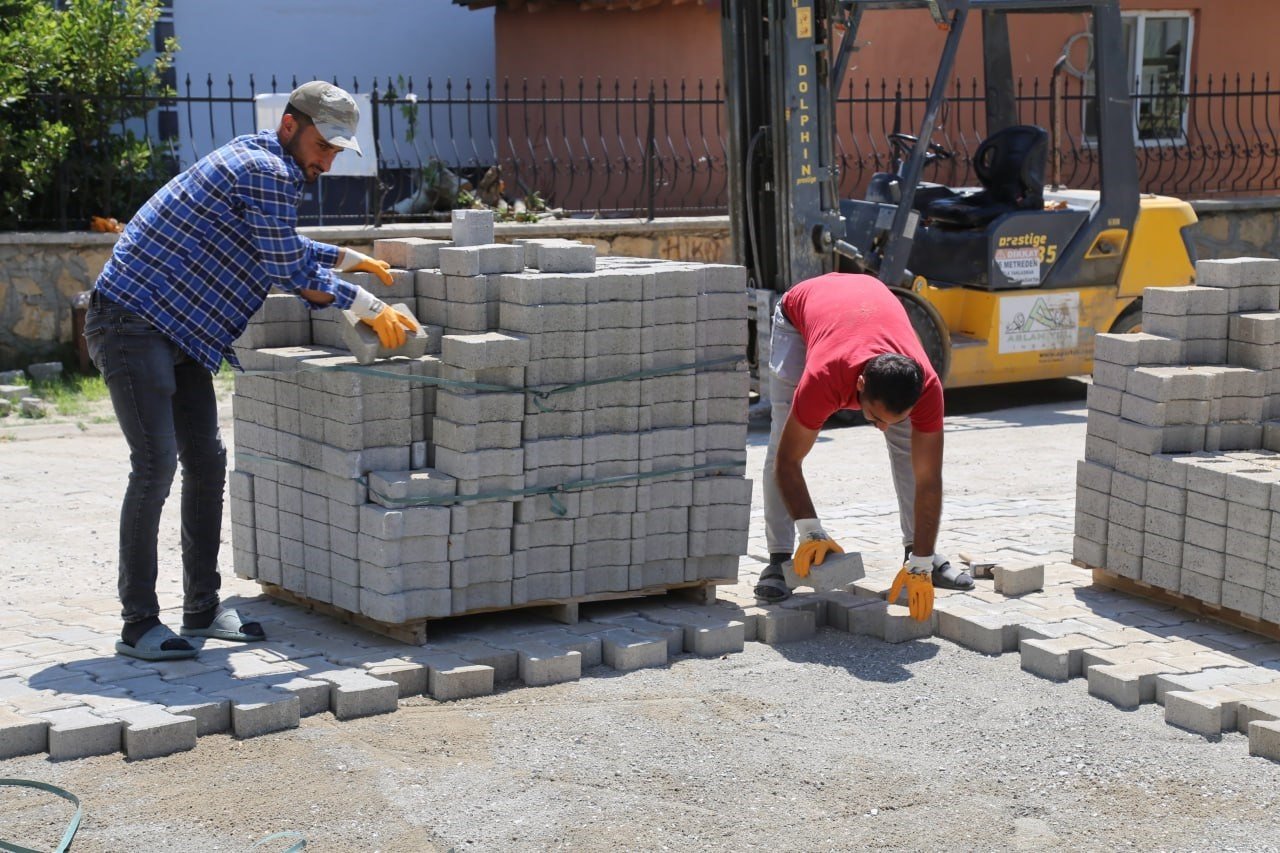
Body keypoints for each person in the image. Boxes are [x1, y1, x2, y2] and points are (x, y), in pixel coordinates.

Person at [84, 81, 418, 661]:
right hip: (132, 320)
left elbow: (270, 241)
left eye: (337, 151)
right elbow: (286, 266)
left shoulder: (260, 162)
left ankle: (202, 609)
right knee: (156, 464)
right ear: (290, 126)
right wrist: (364, 303)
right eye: (322, 145)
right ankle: (138, 623)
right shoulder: (265, 170)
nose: (327, 162)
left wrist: (346, 258)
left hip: (180, 328)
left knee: (206, 462)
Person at [753, 272, 974, 606]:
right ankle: (779, 560)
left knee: (908, 449)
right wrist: (811, 531)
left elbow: (929, 480)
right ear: (858, 387)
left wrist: (922, 561)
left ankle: (916, 556)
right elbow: (788, 462)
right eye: (875, 417)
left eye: (889, 420)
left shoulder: (927, 387)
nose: (882, 428)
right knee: (783, 436)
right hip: (799, 314)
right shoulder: (823, 378)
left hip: (872, 302)